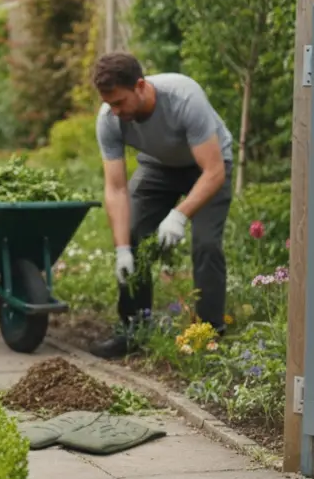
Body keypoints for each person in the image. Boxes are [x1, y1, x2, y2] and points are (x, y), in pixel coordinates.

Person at [87, 52, 234, 360]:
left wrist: (179, 216)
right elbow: (115, 189)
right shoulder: (109, 120)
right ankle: (133, 329)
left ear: (140, 86)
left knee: (205, 244)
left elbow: (214, 171)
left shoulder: (183, 99)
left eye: (119, 102)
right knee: (133, 234)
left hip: (207, 164)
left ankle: (209, 336)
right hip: (158, 167)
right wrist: (122, 249)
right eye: (109, 104)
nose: (114, 111)